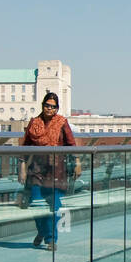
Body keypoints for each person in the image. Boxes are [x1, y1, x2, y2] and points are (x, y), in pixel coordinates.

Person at [20, 91, 80, 251]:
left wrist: (77, 161)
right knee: (36, 206)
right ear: (42, 105)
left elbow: (71, 144)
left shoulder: (61, 123)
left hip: (55, 172)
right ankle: (42, 231)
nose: (49, 109)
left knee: (54, 207)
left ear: (57, 109)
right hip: (36, 172)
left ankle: (51, 239)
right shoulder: (34, 123)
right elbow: (25, 147)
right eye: (47, 105)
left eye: (53, 107)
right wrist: (22, 167)